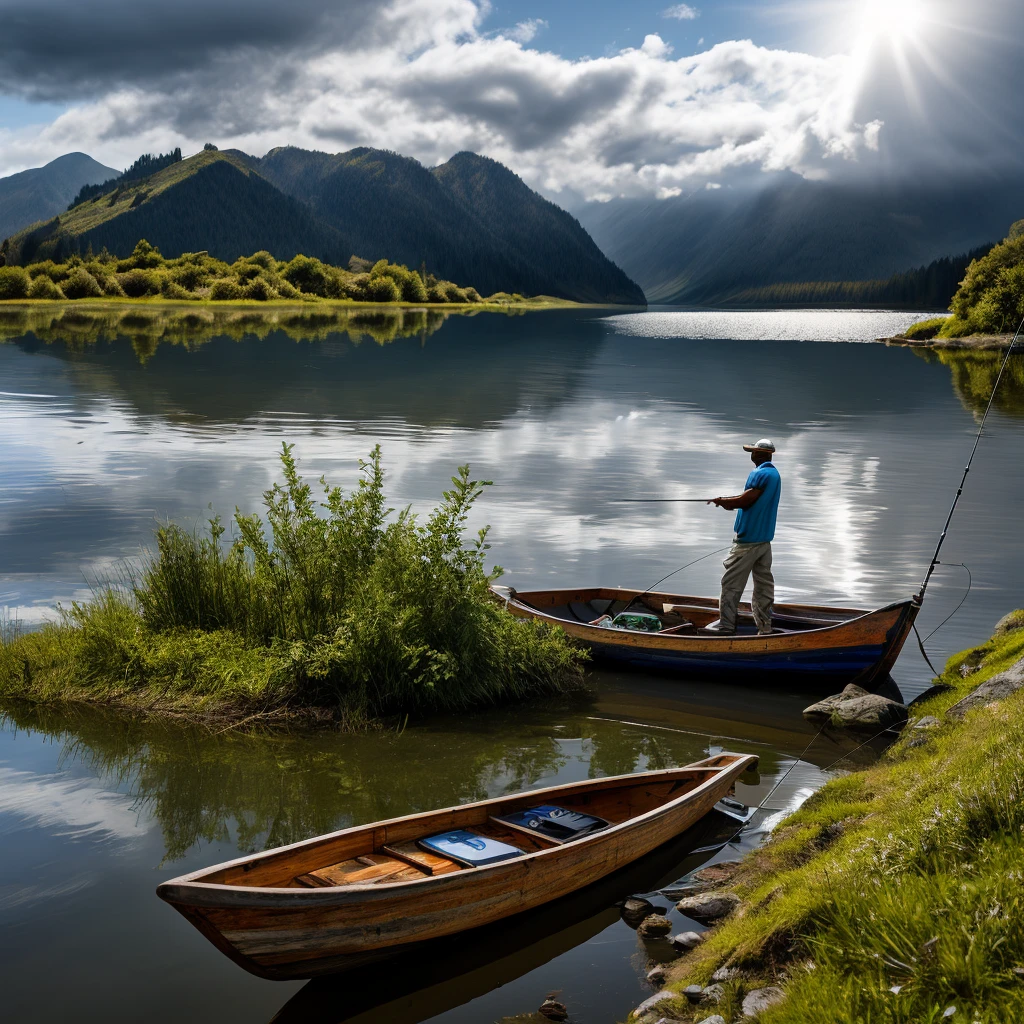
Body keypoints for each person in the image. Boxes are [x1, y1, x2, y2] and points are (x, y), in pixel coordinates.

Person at [706, 439, 781, 635]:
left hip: (747, 542)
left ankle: (726, 627)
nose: (751, 455)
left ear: (762, 454)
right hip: (764, 542)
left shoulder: (760, 473)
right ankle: (765, 629)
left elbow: (746, 500)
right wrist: (725, 501)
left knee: (730, 585)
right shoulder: (774, 474)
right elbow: (750, 499)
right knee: (763, 588)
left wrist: (724, 502)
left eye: (754, 452)